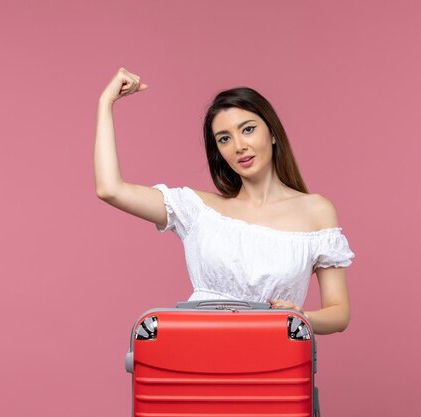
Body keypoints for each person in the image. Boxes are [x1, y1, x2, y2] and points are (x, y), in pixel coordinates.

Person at [94, 67, 355, 335]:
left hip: (275, 362)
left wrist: (301, 317)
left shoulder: (316, 211)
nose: (239, 146)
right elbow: (110, 189)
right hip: (199, 358)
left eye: (248, 129)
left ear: (273, 133)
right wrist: (106, 102)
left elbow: (338, 312)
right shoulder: (196, 210)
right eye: (224, 139)